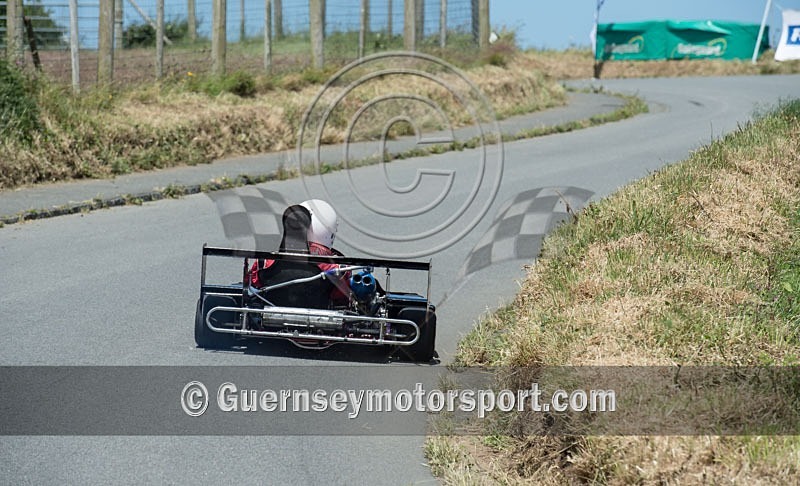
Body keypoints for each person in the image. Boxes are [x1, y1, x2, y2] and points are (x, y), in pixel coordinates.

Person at [249, 199, 350, 306]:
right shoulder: (336, 267)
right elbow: (342, 298)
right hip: (317, 318)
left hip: (271, 315)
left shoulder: (265, 261)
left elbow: (253, 284)